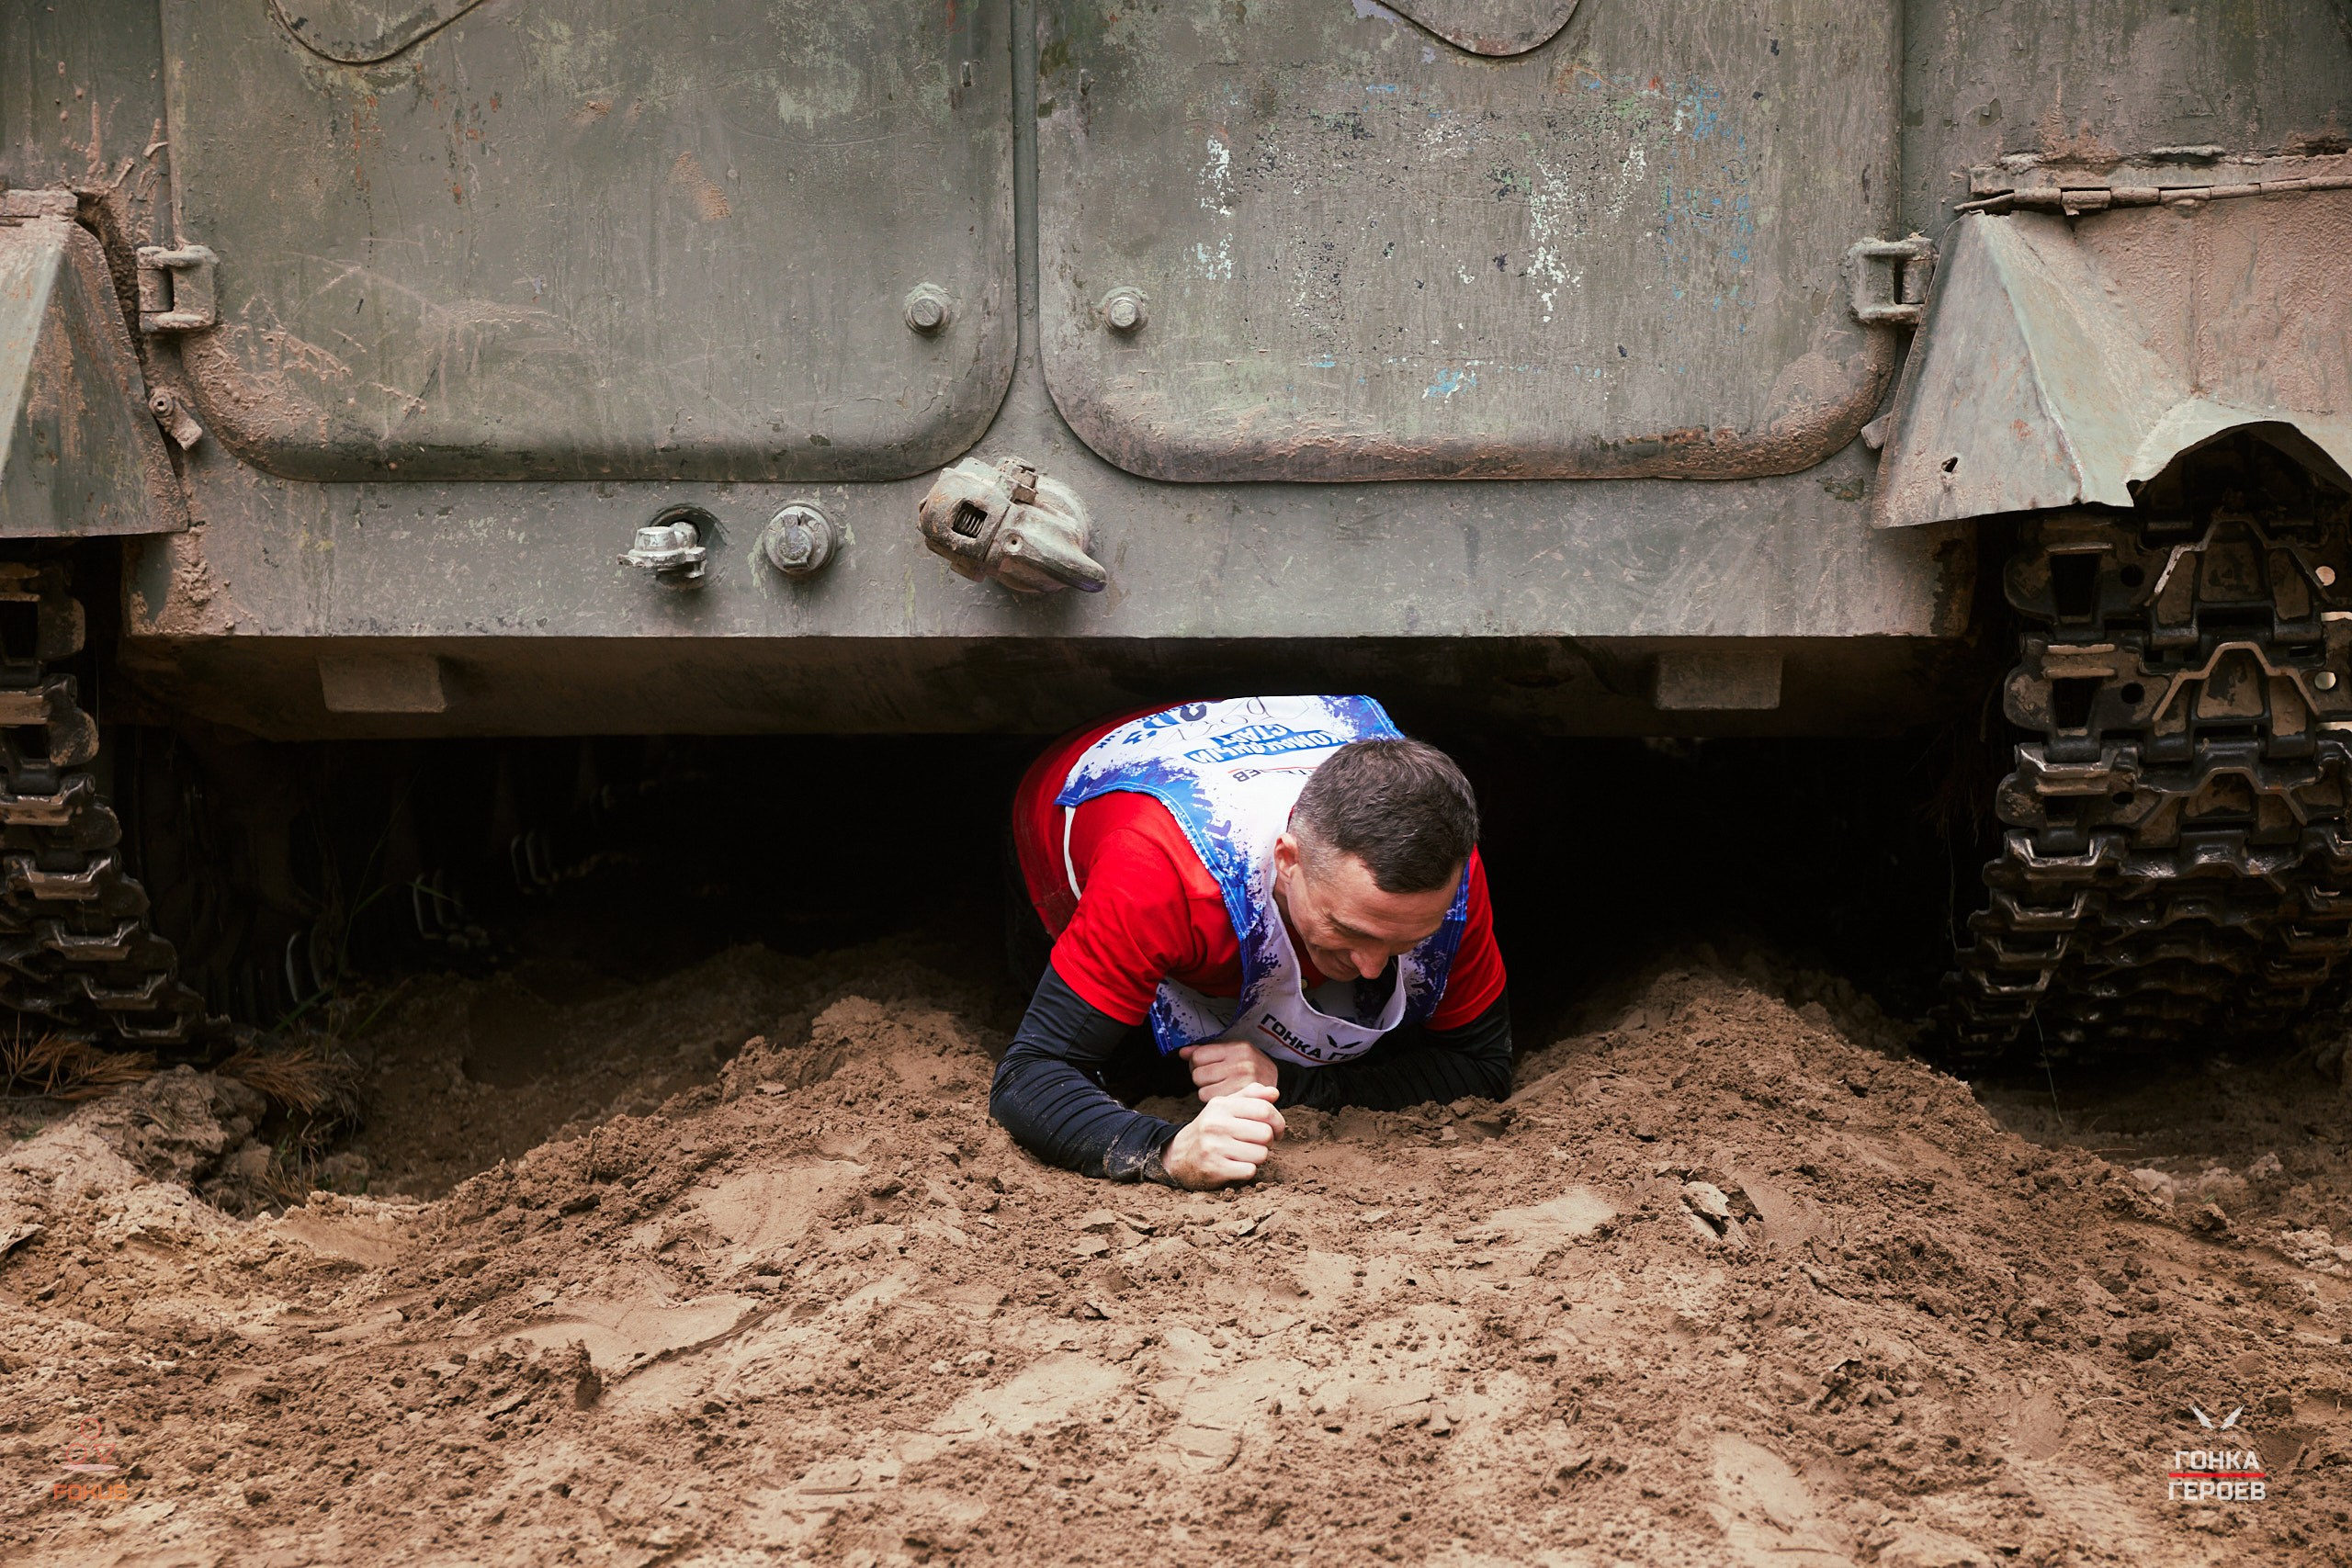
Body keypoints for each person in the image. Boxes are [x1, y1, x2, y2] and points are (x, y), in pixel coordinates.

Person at [991, 695, 1510, 1188]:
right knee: (1133, 1065)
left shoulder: (1440, 876)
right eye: (1350, 931)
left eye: (1407, 938)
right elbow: (1031, 1075)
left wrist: (1293, 1082)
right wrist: (1167, 1150)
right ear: (1288, 860)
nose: (1373, 966)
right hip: (1078, 793)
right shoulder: (1158, 875)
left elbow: (1483, 1066)